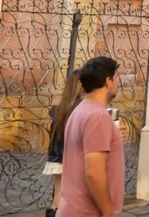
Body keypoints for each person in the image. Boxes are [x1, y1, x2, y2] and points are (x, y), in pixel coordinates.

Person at [57, 57, 124, 217]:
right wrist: (107, 211)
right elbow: (94, 172)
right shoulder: (97, 116)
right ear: (108, 81)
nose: (117, 83)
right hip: (87, 211)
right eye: (115, 78)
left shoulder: (81, 110)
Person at [45, 70, 82, 217]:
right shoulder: (81, 107)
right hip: (71, 158)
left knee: (57, 199)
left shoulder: (60, 108)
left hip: (56, 158)